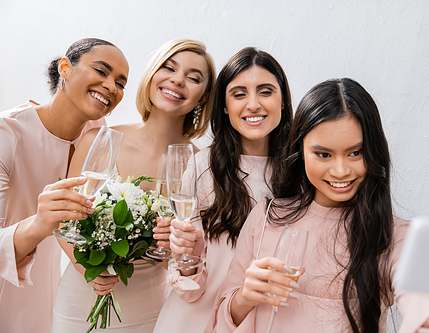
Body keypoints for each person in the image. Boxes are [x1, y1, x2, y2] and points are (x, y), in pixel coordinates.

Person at [208, 78, 429, 333]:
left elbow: (427, 300)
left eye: (355, 152)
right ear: (300, 152)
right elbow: (219, 321)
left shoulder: (393, 234)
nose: (341, 171)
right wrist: (244, 297)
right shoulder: (267, 217)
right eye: (323, 154)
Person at [52, 39, 216, 332]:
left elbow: (195, 260)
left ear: (203, 97)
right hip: (81, 297)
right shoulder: (100, 139)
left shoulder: (202, 165)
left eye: (193, 78)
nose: (178, 80)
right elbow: (63, 220)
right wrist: (86, 268)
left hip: (148, 306)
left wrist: (176, 248)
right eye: (169, 67)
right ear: (152, 75)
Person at [153, 47, 293, 332]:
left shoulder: (301, 170)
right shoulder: (204, 164)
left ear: (283, 101)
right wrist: (185, 255)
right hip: (197, 319)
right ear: (225, 106)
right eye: (239, 94)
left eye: (265, 92)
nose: (253, 104)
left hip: (274, 321)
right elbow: (189, 288)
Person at [0, 37, 128, 333]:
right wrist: (38, 224)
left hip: (51, 296)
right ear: (65, 68)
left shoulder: (98, 135)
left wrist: (94, 267)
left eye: (120, 83)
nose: (111, 86)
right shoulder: (7, 134)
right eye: (102, 71)